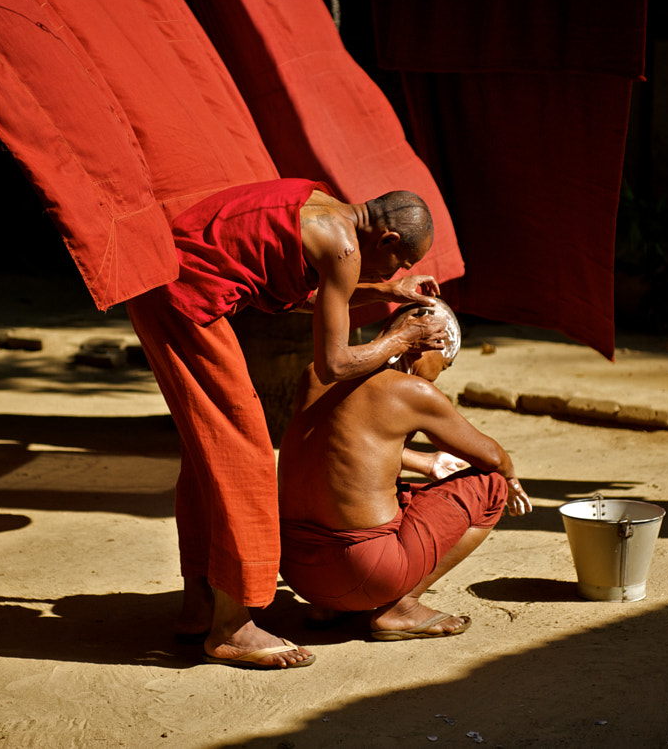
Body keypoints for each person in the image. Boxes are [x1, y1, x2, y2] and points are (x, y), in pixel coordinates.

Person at [125, 178, 449, 668]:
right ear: (385, 240)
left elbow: (293, 297)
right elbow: (333, 365)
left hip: (162, 287)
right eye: (401, 262)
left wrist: (386, 289)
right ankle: (233, 627)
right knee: (244, 454)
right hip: (184, 304)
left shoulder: (323, 209)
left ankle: (199, 607)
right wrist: (400, 339)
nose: (400, 270)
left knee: (206, 454)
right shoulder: (343, 247)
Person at [277, 300, 533, 640]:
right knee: (492, 486)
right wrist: (511, 477)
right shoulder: (411, 391)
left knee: (392, 493)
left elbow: (340, 445)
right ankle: (402, 607)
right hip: (365, 574)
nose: (441, 373)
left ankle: (328, 607)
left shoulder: (315, 374)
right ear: (430, 346)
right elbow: (492, 458)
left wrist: (426, 462)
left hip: (298, 572)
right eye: (446, 363)